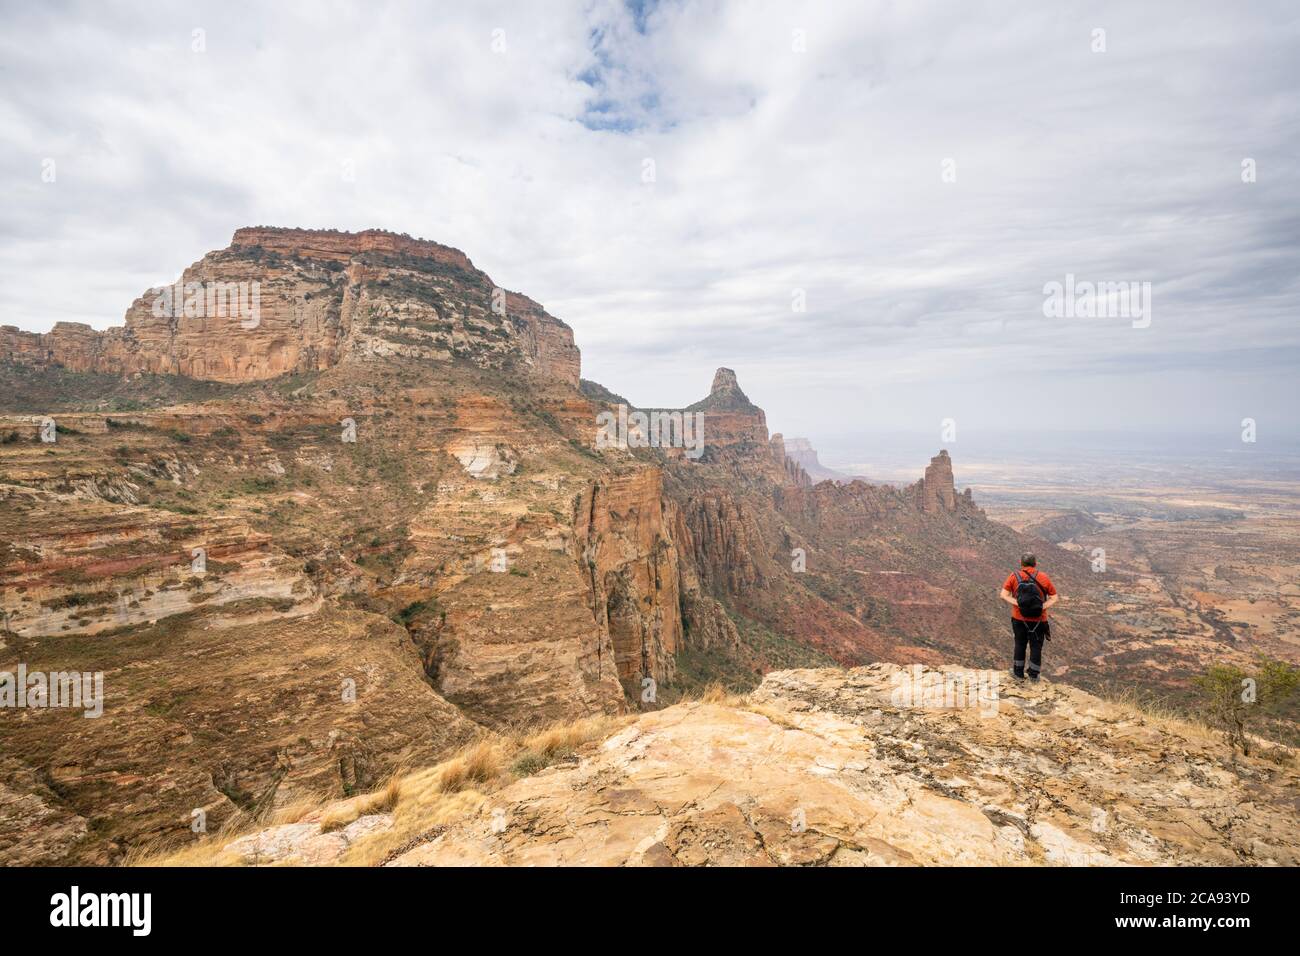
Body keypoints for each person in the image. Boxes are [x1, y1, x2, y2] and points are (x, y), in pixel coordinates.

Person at [999, 553, 1058, 680]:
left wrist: (1018, 604)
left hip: (1019, 619)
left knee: (1020, 644)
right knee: (1036, 646)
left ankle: (1018, 673)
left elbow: (1003, 595)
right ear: (1035, 564)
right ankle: (1034, 675)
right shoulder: (1043, 577)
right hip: (1039, 620)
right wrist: (1042, 606)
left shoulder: (1014, 576)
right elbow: (1054, 597)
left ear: (1021, 564)